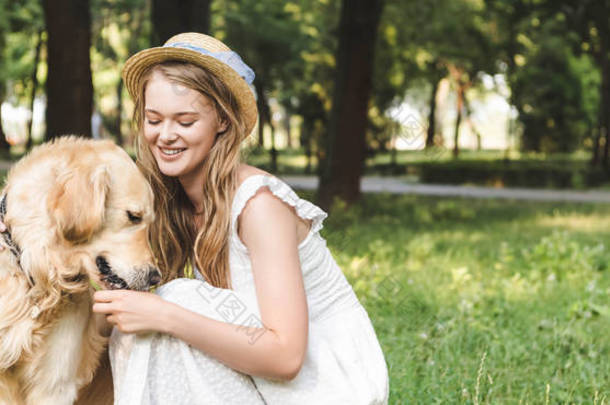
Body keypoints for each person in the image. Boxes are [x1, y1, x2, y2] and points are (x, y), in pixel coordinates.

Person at [6, 32, 390, 404]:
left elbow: (286, 357)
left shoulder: (259, 206)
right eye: (154, 120)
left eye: (185, 122)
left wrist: (166, 314)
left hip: (325, 388)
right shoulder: (164, 199)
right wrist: (18, 235)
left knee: (177, 298)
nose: (166, 136)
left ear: (222, 121)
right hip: (257, 375)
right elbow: (108, 302)